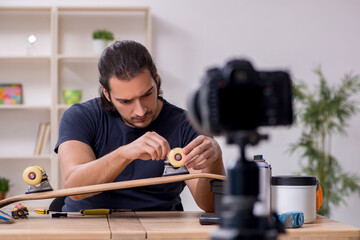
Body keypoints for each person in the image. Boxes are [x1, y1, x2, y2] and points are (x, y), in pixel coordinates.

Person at [55, 40, 225, 212]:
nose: (140, 110)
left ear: (156, 79)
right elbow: (75, 189)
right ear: (106, 93)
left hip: (159, 230)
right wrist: (125, 154)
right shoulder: (80, 117)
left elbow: (211, 206)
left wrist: (215, 160)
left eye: (147, 94)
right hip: (88, 225)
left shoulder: (187, 124)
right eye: (126, 101)